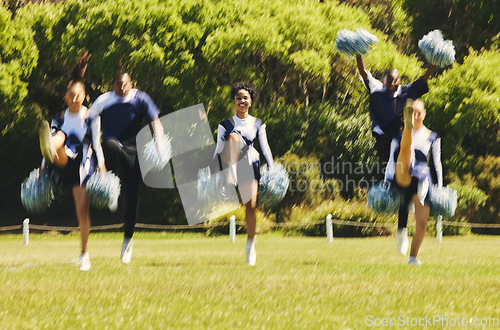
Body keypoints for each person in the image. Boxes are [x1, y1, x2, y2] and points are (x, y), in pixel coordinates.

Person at [356, 55, 435, 254]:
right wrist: (358, 51)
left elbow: (425, 77)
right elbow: (364, 72)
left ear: (400, 80)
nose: (393, 83)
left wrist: (435, 58)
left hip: (404, 141)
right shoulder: (376, 89)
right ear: (383, 80)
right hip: (385, 143)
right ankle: (400, 223)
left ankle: (401, 230)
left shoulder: (407, 91)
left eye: (396, 80)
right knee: (400, 187)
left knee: (410, 185)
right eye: (389, 80)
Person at [89, 72, 165, 264]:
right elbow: (90, 126)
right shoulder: (103, 100)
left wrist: (160, 144)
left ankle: (127, 241)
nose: (122, 88)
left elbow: (155, 122)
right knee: (111, 147)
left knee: (133, 197)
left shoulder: (141, 98)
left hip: (134, 149)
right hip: (112, 143)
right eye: (118, 84)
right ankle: (111, 189)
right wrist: (98, 160)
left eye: (125, 84)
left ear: (132, 84)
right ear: (112, 85)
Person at [38, 51, 95, 271]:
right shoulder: (60, 117)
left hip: (82, 164)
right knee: (60, 137)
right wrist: (43, 167)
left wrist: (100, 167)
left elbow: (94, 145)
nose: (74, 99)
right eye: (70, 95)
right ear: (65, 97)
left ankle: (84, 255)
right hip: (62, 160)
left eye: (77, 95)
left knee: (82, 211)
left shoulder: (90, 116)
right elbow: (53, 139)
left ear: (83, 96)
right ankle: (51, 147)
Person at [213, 82, 274, 266]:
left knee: (251, 206)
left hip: (249, 165)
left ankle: (250, 244)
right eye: (238, 97)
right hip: (229, 162)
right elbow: (217, 150)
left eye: (245, 98)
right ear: (234, 101)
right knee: (234, 136)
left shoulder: (257, 124)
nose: (242, 100)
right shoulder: (225, 124)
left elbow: (265, 148)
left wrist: (272, 167)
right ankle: (230, 177)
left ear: (251, 101)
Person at [384, 99, 443, 265]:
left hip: (423, 179)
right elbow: (390, 162)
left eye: (418, 113)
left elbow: (437, 164)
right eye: (412, 113)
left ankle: (413, 257)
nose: (416, 116)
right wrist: (387, 181)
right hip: (403, 174)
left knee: (422, 224)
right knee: (406, 153)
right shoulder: (396, 138)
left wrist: (439, 186)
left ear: (424, 114)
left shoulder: (433, 137)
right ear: (405, 117)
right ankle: (402, 230)